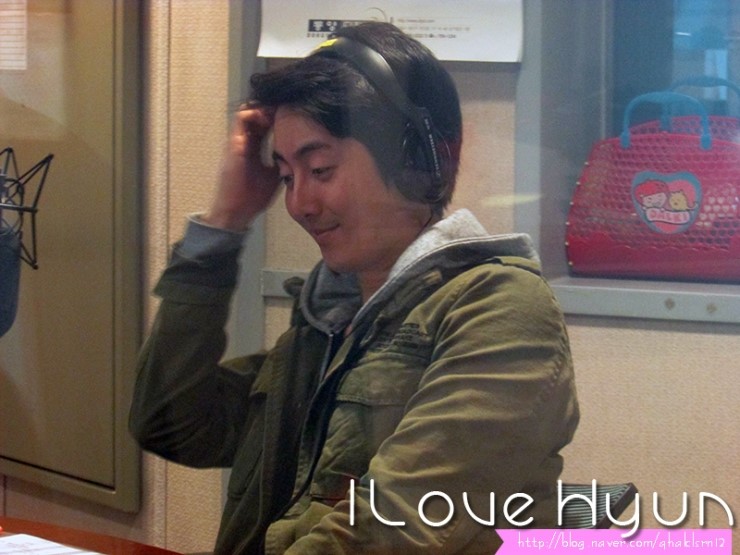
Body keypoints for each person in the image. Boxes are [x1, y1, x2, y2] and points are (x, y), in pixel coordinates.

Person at [129, 21, 579, 555]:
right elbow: (169, 423)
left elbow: (394, 527)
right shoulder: (325, 327)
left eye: (320, 169)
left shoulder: (500, 310)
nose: (298, 204)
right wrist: (224, 223)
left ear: (419, 159)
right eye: (287, 176)